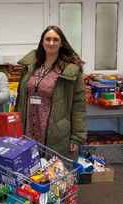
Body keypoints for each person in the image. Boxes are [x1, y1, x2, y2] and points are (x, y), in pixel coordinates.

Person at [15, 25, 87, 161]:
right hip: (29, 126)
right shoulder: (32, 65)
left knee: (53, 174)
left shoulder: (70, 71)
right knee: (29, 171)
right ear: (42, 42)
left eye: (55, 39)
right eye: (48, 39)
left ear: (61, 44)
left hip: (55, 130)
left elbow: (79, 106)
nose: (51, 43)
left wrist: (77, 137)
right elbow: (20, 98)